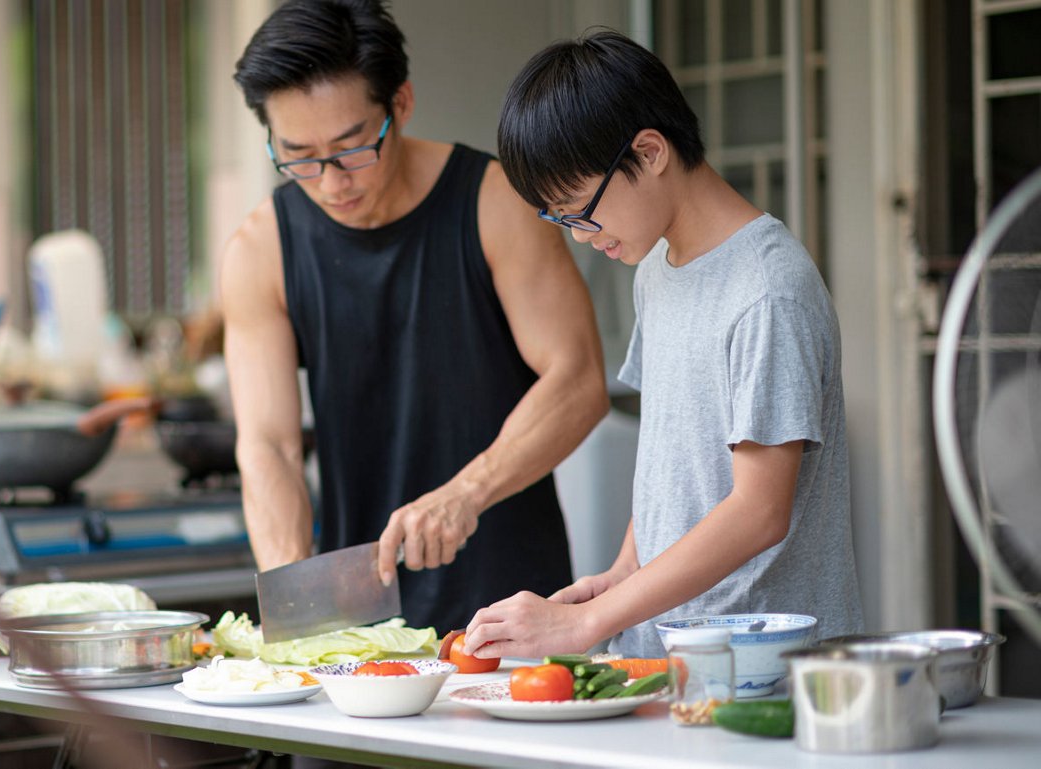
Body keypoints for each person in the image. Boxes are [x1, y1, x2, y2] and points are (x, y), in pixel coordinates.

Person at [463, 29, 863, 660]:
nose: (578, 236)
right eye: (558, 219)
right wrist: (621, 574)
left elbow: (759, 511)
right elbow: (670, 466)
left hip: (762, 667)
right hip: (670, 656)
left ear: (649, 153)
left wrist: (581, 627)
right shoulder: (657, 267)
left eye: (580, 210)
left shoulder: (767, 289)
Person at [220, 0, 609, 636]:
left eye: (351, 149)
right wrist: (298, 608)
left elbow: (579, 379)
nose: (329, 181)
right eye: (298, 156)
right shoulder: (261, 250)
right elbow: (269, 447)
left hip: (512, 607)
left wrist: (466, 493)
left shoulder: (495, 202)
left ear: (400, 104)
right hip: (358, 619)